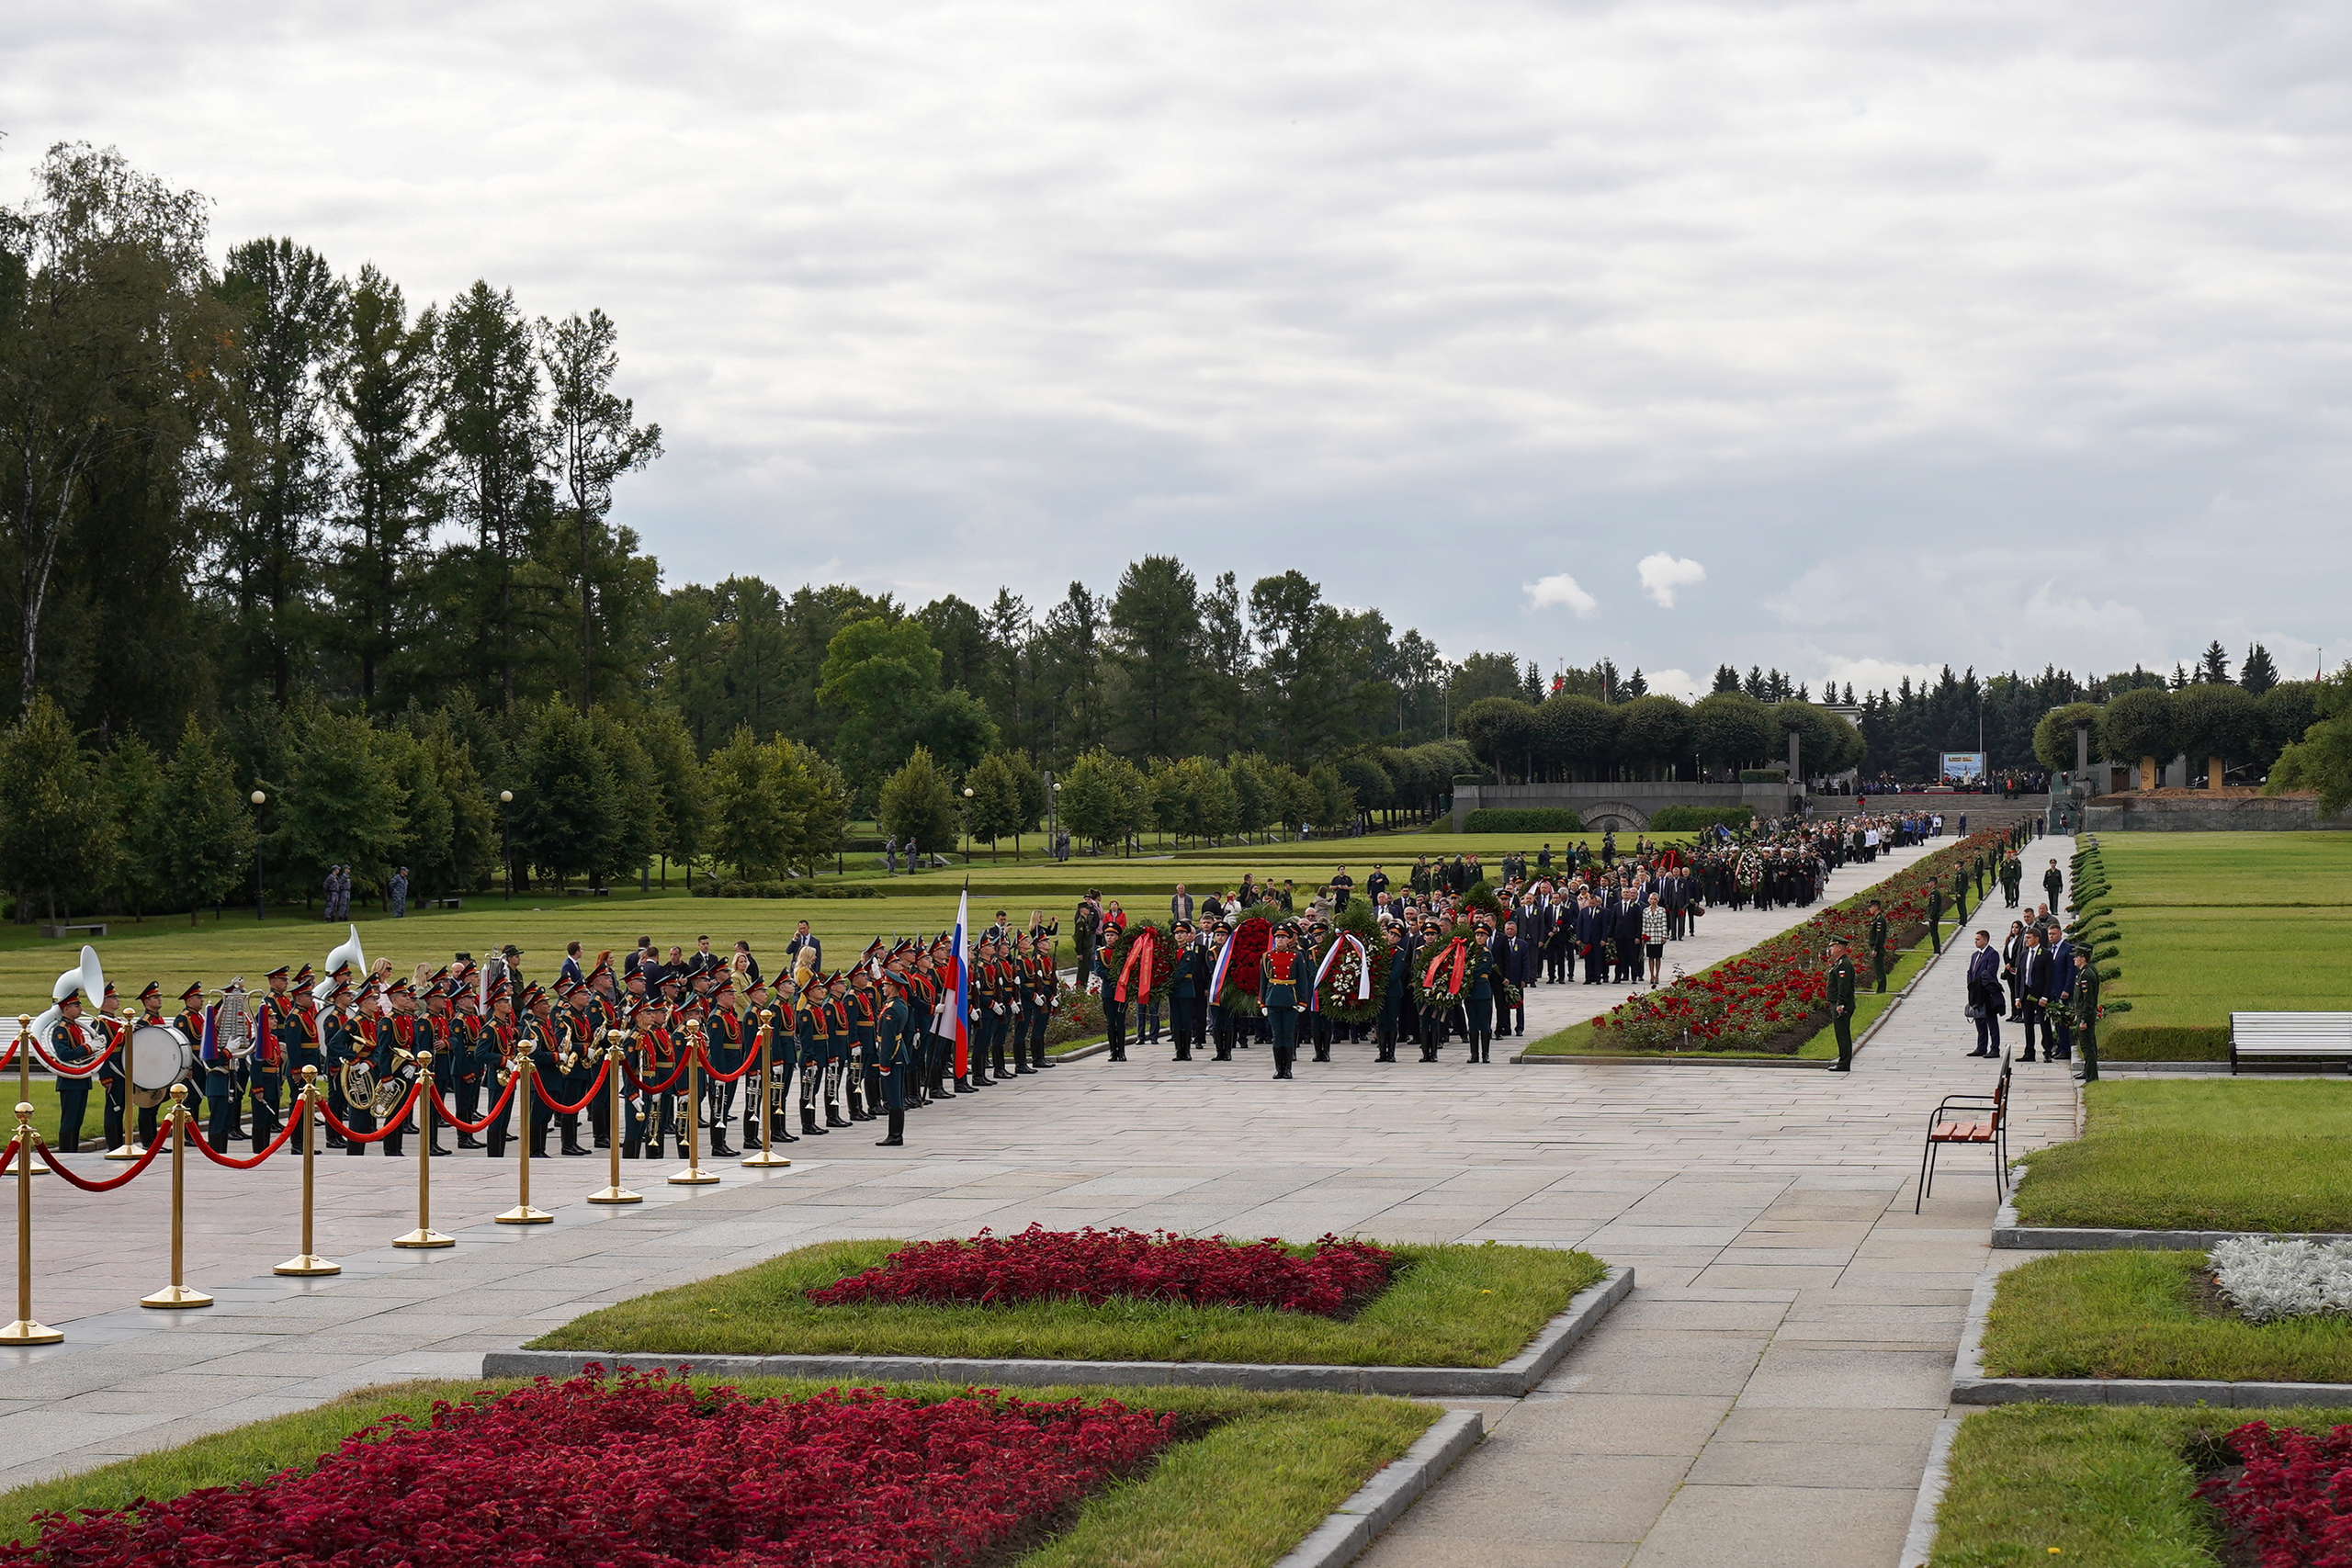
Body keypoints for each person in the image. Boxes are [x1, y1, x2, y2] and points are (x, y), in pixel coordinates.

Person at [1261, 927, 1303, 1079]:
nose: (1280, 940)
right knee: (1277, 1035)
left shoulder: (1296, 956)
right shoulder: (1267, 956)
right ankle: (1279, 1068)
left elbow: (1302, 980)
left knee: (1288, 1035)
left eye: (1283, 937)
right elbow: (1263, 981)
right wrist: (1263, 1002)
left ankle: (1288, 1069)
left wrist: (1302, 1000)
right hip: (1273, 998)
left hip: (1290, 998)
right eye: (1277, 937)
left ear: (1288, 940)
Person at [1965, 931, 2004, 1057]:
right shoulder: (1974, 955)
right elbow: (1970, 971)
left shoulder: (1992, 954)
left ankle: (1995, 1048)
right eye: (1975, 939)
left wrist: (1978, 985)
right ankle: (1981, 1046)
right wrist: (1971, 986)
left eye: (1978, 939)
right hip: (1976, 993)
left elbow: (1989, 974)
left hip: (1987, 993)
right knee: (1979, 1020)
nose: (1975, 941)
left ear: (1985, 940)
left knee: (1991, 1021)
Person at [1826, 938, 1857, 1071]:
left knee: (1843, 1034)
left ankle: (1844, 1064)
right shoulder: (1839, 963)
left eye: (1832, 947)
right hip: (1838, 1003)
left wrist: (1840, 1004)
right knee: (1841, 1034)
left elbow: (1843, 986)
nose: (1830, 950)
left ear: (1839, 948)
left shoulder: (1843, 964)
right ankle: (1843, 1062)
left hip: (1841, 1005)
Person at [2071, 949, 2101, 1082]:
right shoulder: (2085, 972)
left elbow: (2088, 1000)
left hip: (2086, 1016)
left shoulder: (2086, 976)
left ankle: (2092, 1076)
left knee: (2087, 1046)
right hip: (2085, 1014)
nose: (2074, 959)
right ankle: (2087, 1071)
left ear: (2083, 958)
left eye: (2076, 957)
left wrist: (2083, 1019)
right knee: (2088, 1045)